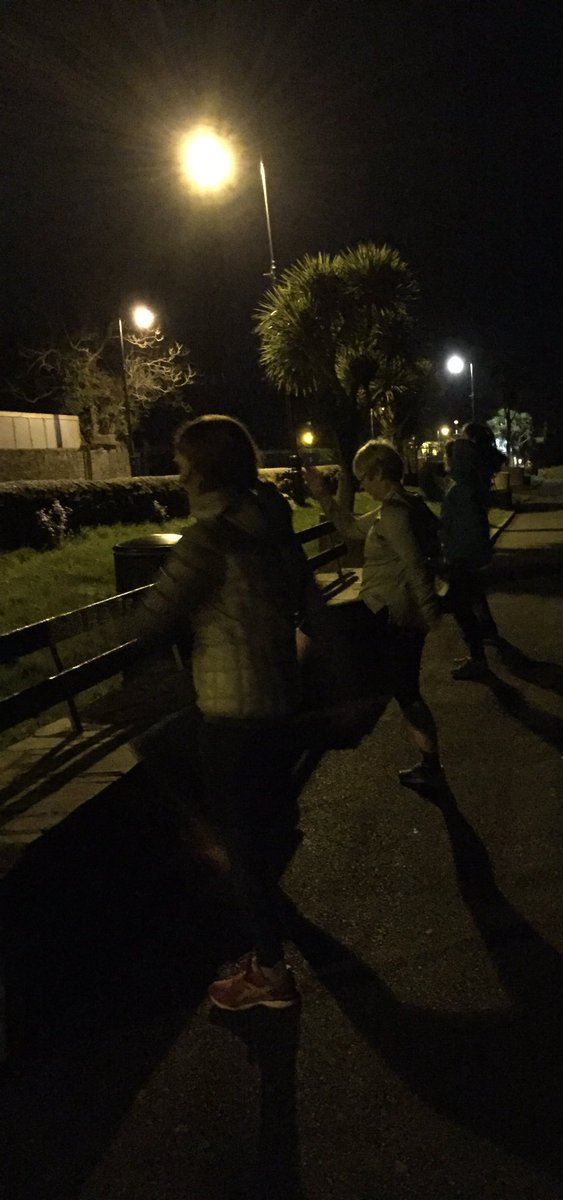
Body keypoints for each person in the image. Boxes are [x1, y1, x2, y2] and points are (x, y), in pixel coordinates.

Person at [132, 415, 313, 1012]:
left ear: (206, 470)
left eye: (184, 464)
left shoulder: (207, 542)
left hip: (233, 715)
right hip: (278, 704)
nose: (178, 475)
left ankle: (270, 972)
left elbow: (150, 623)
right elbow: (307, 605)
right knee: (171, 750)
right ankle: (239, 851)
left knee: (240, 850)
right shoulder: (272, 528)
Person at [302, 439, 446, 790]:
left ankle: (317, 716)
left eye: (364, 477)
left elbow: (416, 567)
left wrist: (432, 618)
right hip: (392, 613)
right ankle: (431, 766)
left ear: (380, 472)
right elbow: (351, 529)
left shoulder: (395, 514)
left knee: (320, 630)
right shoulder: (398, 508)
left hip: (391, 615)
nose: (362, 485)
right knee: (405, 692)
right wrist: (323, 495)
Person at [441, 438, 499, 680]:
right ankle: (479, 652)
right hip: (470, 558)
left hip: (461, 559)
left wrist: (450, 551)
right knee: (471, 603)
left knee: (461, 609)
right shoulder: (470, 487)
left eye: (448, 456)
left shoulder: (460, 491)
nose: (445, 461)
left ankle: (478, 659)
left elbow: (456, 527)